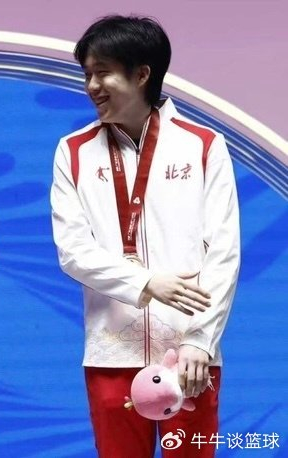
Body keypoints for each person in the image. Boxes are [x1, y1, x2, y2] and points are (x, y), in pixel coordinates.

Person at [50, 15, 240, 458]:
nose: (92, 86)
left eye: (103, 73)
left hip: (191, 356)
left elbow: (224, 251)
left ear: (141, 74)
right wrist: (146, 282)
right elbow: (72, 251)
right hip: (111, 354)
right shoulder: (73, 151)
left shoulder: (203, 145)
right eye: (87, 74)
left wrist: (200, 339)